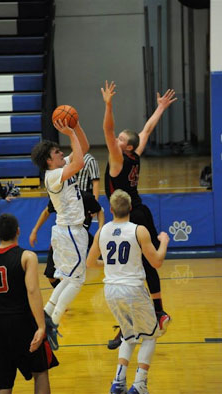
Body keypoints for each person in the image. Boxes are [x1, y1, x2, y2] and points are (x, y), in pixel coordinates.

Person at [101, 81, 177, 349]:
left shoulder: (119, 158)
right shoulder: (135, 154)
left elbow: (107, 130)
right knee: (140, 267)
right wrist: (160, 108)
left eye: (121, 140)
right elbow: (147, 129)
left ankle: (136, 322)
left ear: (126, 148)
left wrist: (109, 104)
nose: (116, 140)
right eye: (119, 138)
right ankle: (154, 312)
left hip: (128, 215)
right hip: (139, 210)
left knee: (131, 269)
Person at [86, 189, 170, 394]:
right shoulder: (139, 230)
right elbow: (157, 262)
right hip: (133, 288)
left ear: (112, 209)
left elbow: (90, 263)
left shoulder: (102, 231)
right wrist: (165, 242)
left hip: (111, 290)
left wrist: (110, 265)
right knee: (151, 335)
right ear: (130, 208)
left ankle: (118, 382)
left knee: (129, 335)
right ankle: (140, 384)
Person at [0, 213, 58, 393]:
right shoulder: (27, 256)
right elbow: (33, 291)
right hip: (22, 321)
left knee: (3, 382)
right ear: (18, 231)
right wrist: (41, 327)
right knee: (40, 372)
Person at [31, 119, 89, 350]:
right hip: (70, 232)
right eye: (57, 152)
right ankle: (52, 323)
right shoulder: (52, 175)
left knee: (69, 278)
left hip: (69, 231)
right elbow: (80, 161)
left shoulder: (57, 167)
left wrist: (75, 128)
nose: (62, 153)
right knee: (78, 280)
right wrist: (69, 133)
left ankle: (46, 313)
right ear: (48, 159)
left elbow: (82, 149)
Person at [29, 191, 105, 288]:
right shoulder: (58, 197)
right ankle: (64, 297)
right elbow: (46, 212)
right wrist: (34, 230)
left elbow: (99, 210)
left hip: (80, 237)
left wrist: (100, 229)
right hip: (62, 238)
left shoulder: (85, 197)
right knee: (51, 276)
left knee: (75, 276)